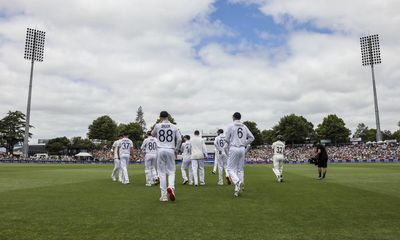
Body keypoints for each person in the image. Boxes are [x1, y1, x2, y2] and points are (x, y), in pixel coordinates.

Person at [152, 111, 182, 202]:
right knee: (171, 171)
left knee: (161, 173)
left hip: (160, 149)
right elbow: (180, 139)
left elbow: (153, 134)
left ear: (160, 117)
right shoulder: (174, 126)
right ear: (168, 117)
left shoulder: (157, 125)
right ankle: (171, 186)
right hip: (170, 150)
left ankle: (164, 196)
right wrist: (176, 149)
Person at [225, 112, 254, 197]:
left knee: (230, 168)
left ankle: (237, 182)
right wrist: (244, 143)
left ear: (233, 117)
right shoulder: (244, 126)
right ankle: (238, 188)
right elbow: (252, 137)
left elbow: (226, 139)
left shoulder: (231, 126)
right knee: (240, 169)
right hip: (242, 148)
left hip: (234, 148)